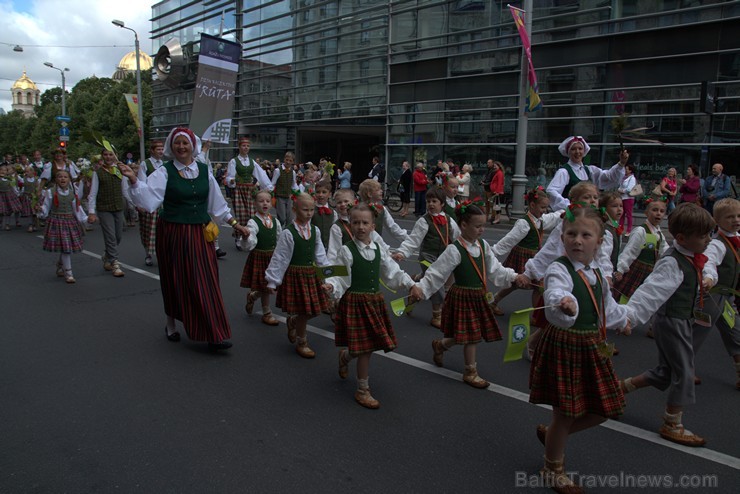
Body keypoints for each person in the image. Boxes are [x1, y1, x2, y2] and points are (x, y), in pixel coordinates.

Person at [529, 206, 631, 493]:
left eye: (586, 235)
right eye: (571, 234)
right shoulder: (559, 268)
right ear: (562, 238)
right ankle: (552, 467)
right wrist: (565, 302)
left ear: (599, 242)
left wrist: (623, 320)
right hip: (567, 344)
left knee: (602, 409)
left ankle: (553, 437)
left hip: (592, 345)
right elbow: (555, 290)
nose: (577, 240)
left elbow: (606, 307)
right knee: (565, 412)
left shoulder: (597, 273)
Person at [121, 127, 248, 351]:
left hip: (200, 232)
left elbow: (217, 204)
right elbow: (149, 200)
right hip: (173, 232)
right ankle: (171, 324)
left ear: (193, 146)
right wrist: (133, 180)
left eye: (185, 143)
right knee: (174, 279)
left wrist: (237, 225)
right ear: (172, 146)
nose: (181, 147)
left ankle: (213, 333)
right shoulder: (164, 172)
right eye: (177, 143)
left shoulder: (203, 170)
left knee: (206, 280)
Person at [622, 203, 714, 446]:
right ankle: (672, 423)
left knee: (665, 372)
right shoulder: (673, 262)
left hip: (679, 319)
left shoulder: (688, 257)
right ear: (682, 238)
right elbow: (650, 292)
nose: (708, 240)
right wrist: (630, 316)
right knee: (684, 371)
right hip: (672, 321)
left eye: (709, 234)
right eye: (703, 236)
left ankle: (618, 389)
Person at [410, 202, 527, 388]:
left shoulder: (483, 246)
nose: (482, 230)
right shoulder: (454, 250)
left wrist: (514, 276)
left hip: (478, 295)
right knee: (472, 335)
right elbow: (436, 273)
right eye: (478, 226)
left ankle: (441, 346)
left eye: (483, 226)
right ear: (463, 225)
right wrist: (420, 289)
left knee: (468, 333)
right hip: (463, 296)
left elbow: (495, 269)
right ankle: (470, 371)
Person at [326, 204, 415, 409]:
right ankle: (362, 389)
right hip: (355, 303)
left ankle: (345, 356)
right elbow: (340, 276)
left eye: (365, 223)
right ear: (350, 224)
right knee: (365, 348)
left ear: (373, 226)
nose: (360, 226)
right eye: (355, 222)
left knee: (364, 346)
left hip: (374, 302)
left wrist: (411, 284)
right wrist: (331, 285)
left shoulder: (378, 249)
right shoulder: (346, 251)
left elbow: (392, 272)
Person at [265, 193, 331, 358]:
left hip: (311, 274)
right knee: (304, 310)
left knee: (316, 309)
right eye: (305, 210)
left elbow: (321, 255)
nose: (309, 213)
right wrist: (273, 281)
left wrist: (328, 276)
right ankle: (302, 341)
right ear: (294, 210)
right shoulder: (289, 233)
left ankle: (293, 321)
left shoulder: (314, 230)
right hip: (296, 275)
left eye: (311, 210)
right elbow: (280, 257)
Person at [393, 187, 460, 328]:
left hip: (443, 257)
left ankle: (416, 284)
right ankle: (437, 315)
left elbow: (458, 238)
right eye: (428, 201)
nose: (430, 204)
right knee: (437, 283)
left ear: (442, 203)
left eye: (434, 201)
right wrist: (402, 252)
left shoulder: (449, 220)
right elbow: (413, 240)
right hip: (427, 257)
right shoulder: (424, 221)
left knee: (428, 278)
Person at [491, 186, 562, 316]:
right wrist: (493, 252)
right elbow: (509, 240)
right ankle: (493, 302)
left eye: (546, 207)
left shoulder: (540, 220)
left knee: (539, 287)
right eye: (542, 207)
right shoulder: (523, 223)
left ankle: (537, 315)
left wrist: (564, 212)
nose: (544, 210)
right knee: (514, 284)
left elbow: (554, 217)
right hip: (522, 256)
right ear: (532, 205)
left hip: (535, 257)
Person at [700, 198, 740, 390]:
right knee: (696, 334)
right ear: (717, 220)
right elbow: (709, 262)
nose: (736, 220)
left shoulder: (737, 238)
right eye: (730, 217)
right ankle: (681, 368)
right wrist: (708, 278)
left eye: (738, 216)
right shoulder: (717, 244)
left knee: (736, 333)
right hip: (713, 296)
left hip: (728, 298)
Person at [37, 169, 94, 284]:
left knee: (66, 247)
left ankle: (60, 264)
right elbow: (46, 208)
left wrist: (86, 219)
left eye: (65, 177)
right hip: (56, 221)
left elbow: (77, 210)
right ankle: (69, 273)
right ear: (56, 179)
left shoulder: (73, 193)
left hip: (69, 222)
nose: (62, 179)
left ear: (69, 179)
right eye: (60, 177)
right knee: (66, 248)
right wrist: (40, 210)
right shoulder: (50, 192)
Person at [546, 136, 629, 212]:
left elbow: (609, 177)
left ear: (584, 151)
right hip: (572, 216)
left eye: (580, 148)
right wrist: (569, 205)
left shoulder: (590, 170)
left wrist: (621, 163)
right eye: (573, 149)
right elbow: (551, 191)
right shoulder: (564, 171)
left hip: (588, 214)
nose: (577, 152)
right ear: (568, 152)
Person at [613, 198, 668, 310]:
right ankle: (620, 317)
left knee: (638, 299)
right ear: (646, 213)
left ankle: (628, 319)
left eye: (662, 211)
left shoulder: (659, 234)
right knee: (626, 296)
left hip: (648, 273)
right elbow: (630, 251)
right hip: (637, 270)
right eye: (655, 210)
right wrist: (621, 269)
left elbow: (665, 251)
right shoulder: (641, 231)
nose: (658, 213)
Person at [87, 149, 131, 278]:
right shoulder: (98, 173)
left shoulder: (119, 171)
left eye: (110, 154)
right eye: (105, 155)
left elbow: (125, 190)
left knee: (118, 236)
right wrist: (91, 212)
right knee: (110, 236)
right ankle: (115, 263)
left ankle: (107, 255)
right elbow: (93, 193)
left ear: (115, 156)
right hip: (104, 208)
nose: (108, 157)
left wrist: (136, 205)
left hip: (118, 207)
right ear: (102, 156)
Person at [241, 189, 282, 326]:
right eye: (261, 201)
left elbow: (279, 239)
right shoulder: (253, 222)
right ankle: (267, 312)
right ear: (255, 204)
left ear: (271, 203)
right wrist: (247, 237)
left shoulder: (275, 221)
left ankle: (253, 296)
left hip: (272, 257)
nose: (265, 203)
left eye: (267, 201)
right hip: (259, 256)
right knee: (265, 286)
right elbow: (250, 242)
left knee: (268, 285)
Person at [225, 136, 274, 249]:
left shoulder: (252, 162)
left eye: (247, 146)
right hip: (239, 191)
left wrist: (268, 186)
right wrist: (231, 181)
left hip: (250, 190)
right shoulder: (234, 161)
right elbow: (229, 177)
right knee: (241, 215)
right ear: (239, 147)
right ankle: (239, 238)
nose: (246, 148)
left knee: (252, 215)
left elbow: (261, 174)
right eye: (243, 145)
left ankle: (250, 237)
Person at [137, 140, 166, 266]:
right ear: (152, 150)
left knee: (163, 229)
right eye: (158, 149)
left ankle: (162, 253)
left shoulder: (165, 164)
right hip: (150, 200)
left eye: (162, 149)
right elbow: (142, 184)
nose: (161, 151)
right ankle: (148, 253)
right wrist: (141, 203)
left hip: (164, 201)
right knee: (148, 229)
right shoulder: (145, 164)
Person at [358, 179, 408, 244]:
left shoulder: (381, 209)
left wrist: (409, 240)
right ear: (369, 194)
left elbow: (392, 227)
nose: (381, 191)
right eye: (378, 190)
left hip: (376, 246)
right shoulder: (357, 209)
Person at [600, 191, 625, 276]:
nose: (619, 209)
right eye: (614, 206)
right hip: (605, 273)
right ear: (604, 208)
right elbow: (604, 255)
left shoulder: (615, 227)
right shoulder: (606, 231)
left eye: (621, 206)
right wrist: (608, 274)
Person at [271, 151, 299, 226]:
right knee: (282, 218)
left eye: (290, 160)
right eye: (287, 160)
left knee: (290, 219)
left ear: (293, 162)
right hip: (280, 197)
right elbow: (273, 183)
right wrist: (270, 193)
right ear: (284, 159)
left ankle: (286, 235)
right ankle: (278, 231)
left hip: (289, 197)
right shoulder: (278, 171)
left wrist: (299, 192)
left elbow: (294, 185)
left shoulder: (293, 172)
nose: (288, 162)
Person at [311, 180, 336, 254]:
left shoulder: (333, 213)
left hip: (329, 246)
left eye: (324, 192)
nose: (320, 195)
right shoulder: (311, 210)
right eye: (318, 192)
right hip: (314, 245)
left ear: (329, 194)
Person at [0, 163, 22, 231]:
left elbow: (13, 187)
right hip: (1, 196)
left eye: (5, 170)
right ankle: (1, 222)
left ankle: (8, 224)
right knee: (2, 211)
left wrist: (17, 194)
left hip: (9, 195)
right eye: (1, 170)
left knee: (9, 211)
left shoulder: (10, 179)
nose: (3, 171)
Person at [617, 163, 637, 235]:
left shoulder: (632, 178)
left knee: (628, 214)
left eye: (627, 169)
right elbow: (620, 186)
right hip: (622, 198)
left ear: (630, 171)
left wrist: (622, 191)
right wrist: (619, 189)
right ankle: (620, 228)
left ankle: (628, 230)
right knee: (622, 214)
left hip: (628, 198)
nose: (625, 170)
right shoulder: (624, 177)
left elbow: (629, 189)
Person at [18, 165, 39, 232]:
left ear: (32, 172)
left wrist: (38, 195)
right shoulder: (24, 179)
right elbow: (22, 188)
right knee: (29, 212)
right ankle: (30, 225)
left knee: (35, 212)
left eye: (28, 171)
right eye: (26, 171)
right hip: (27, 197)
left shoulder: (36, 179)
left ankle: (35, 224)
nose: (26, 173)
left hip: (34, 197)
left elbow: (38, 188)